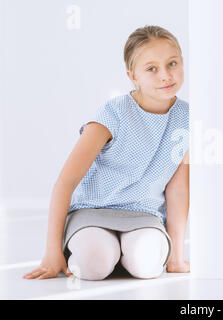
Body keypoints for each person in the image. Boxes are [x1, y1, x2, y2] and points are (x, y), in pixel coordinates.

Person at [23, 25, 190, 281]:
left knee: (145, 266)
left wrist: (177, 256)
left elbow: (177, 190)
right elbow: (66, 182)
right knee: (94, 265)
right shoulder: (113, 114)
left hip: (145, 216)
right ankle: (101, 252)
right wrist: (51, 252)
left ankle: (123, 255)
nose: (165, 75)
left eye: (172, 64)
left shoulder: (188, 118)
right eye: (151, 68)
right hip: (93, 211)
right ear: (133, 76)